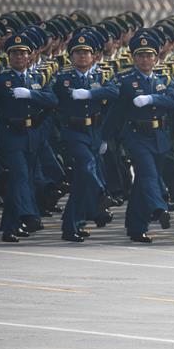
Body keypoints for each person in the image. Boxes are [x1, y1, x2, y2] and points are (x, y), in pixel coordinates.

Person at [105, 30, 174, 243]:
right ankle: (158, 208)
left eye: (149, 55)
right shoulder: (125, 81)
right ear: (134, 58)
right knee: (147, 174)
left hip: (159, 136)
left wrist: (152, 98)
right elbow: (115, 113)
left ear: (156, 57)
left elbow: (172, 101)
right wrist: (104, 138)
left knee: (141, 185)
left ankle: (136, 227)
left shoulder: (164, 79)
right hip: (136, 137)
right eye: (141, 55)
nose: (145, 60)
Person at [0, 33, 57, 242]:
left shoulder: (38, 79)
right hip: (11, 135)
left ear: (30, 56)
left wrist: (30, 94)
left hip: (32, 135)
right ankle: (30, 215)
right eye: (15, 53)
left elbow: (52, 100)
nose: (19, 57)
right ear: (9, 57)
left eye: (22, 53)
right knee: (19, 176)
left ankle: (10, 227)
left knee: (21, 180)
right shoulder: (2, 80)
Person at [52, 31, 118, 242]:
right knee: (86, 164)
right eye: (77, 52)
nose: (82, 56)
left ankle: (72, 225)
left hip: (94, 132)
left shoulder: (102, 76)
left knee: (80, 182)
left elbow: (114, 91)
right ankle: (101, 193)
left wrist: (90, 94)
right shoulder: (63, 79)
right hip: (73, 132)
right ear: (71, 57)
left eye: (86, 52)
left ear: (93, 56)